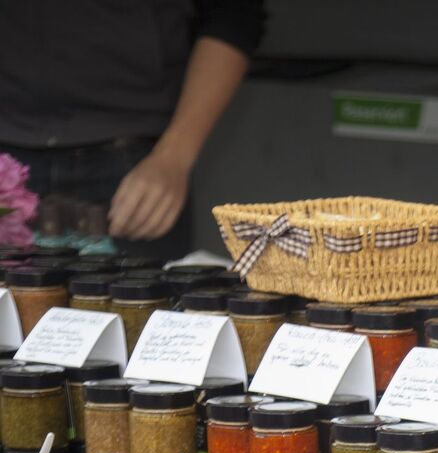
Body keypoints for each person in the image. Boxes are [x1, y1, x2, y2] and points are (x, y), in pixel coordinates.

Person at [0, 1, 266, 260]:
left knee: (150, 287)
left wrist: (174, 157)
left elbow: (234, 13)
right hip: (7, 163)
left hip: (137, 164)